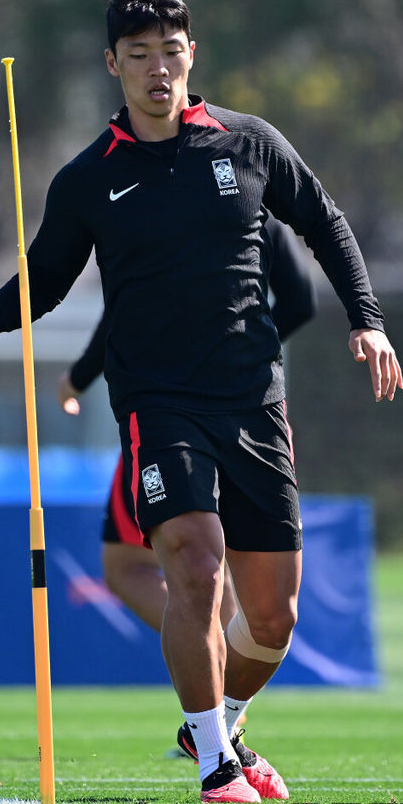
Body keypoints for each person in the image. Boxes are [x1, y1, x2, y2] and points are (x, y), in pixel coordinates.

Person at [0, 0, 402, 804]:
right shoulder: (87, 179)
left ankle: (215, 721)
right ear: (113, 64)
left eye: (171, 53)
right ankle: (218, 762)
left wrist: (368, 318)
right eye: (139, 56)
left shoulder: (249, 144)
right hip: (158, 405)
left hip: (254, 401)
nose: (158, 70)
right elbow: (45, 283)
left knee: (275, 614)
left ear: (192, 55)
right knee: (193, 560)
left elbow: (324, 221)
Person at [56, 216, 316, 634]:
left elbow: (126, 309)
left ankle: (211, 665)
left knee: (131, 566)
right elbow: (301, 301)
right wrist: (246, 349)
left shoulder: (169, 205)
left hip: (171, 414)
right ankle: (229, 689)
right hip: (258, 416)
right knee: (226, 566)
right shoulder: (264, 214)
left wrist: (78, 377)